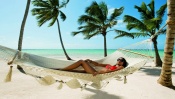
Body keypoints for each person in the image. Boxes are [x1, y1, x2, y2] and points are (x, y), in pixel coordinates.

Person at [61, 57, 128, 76]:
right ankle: (58, 69)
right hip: (96, 72)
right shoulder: (110, 65)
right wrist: (90, 61)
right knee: (73, 71)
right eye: (118, 59)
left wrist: (98, 73)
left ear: (123, 63)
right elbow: (98, 64)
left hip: (96, 74)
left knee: (81, 61)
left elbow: (111, 71)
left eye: (121, 60)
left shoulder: (121, 67)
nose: (119, 60)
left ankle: (62, 70)